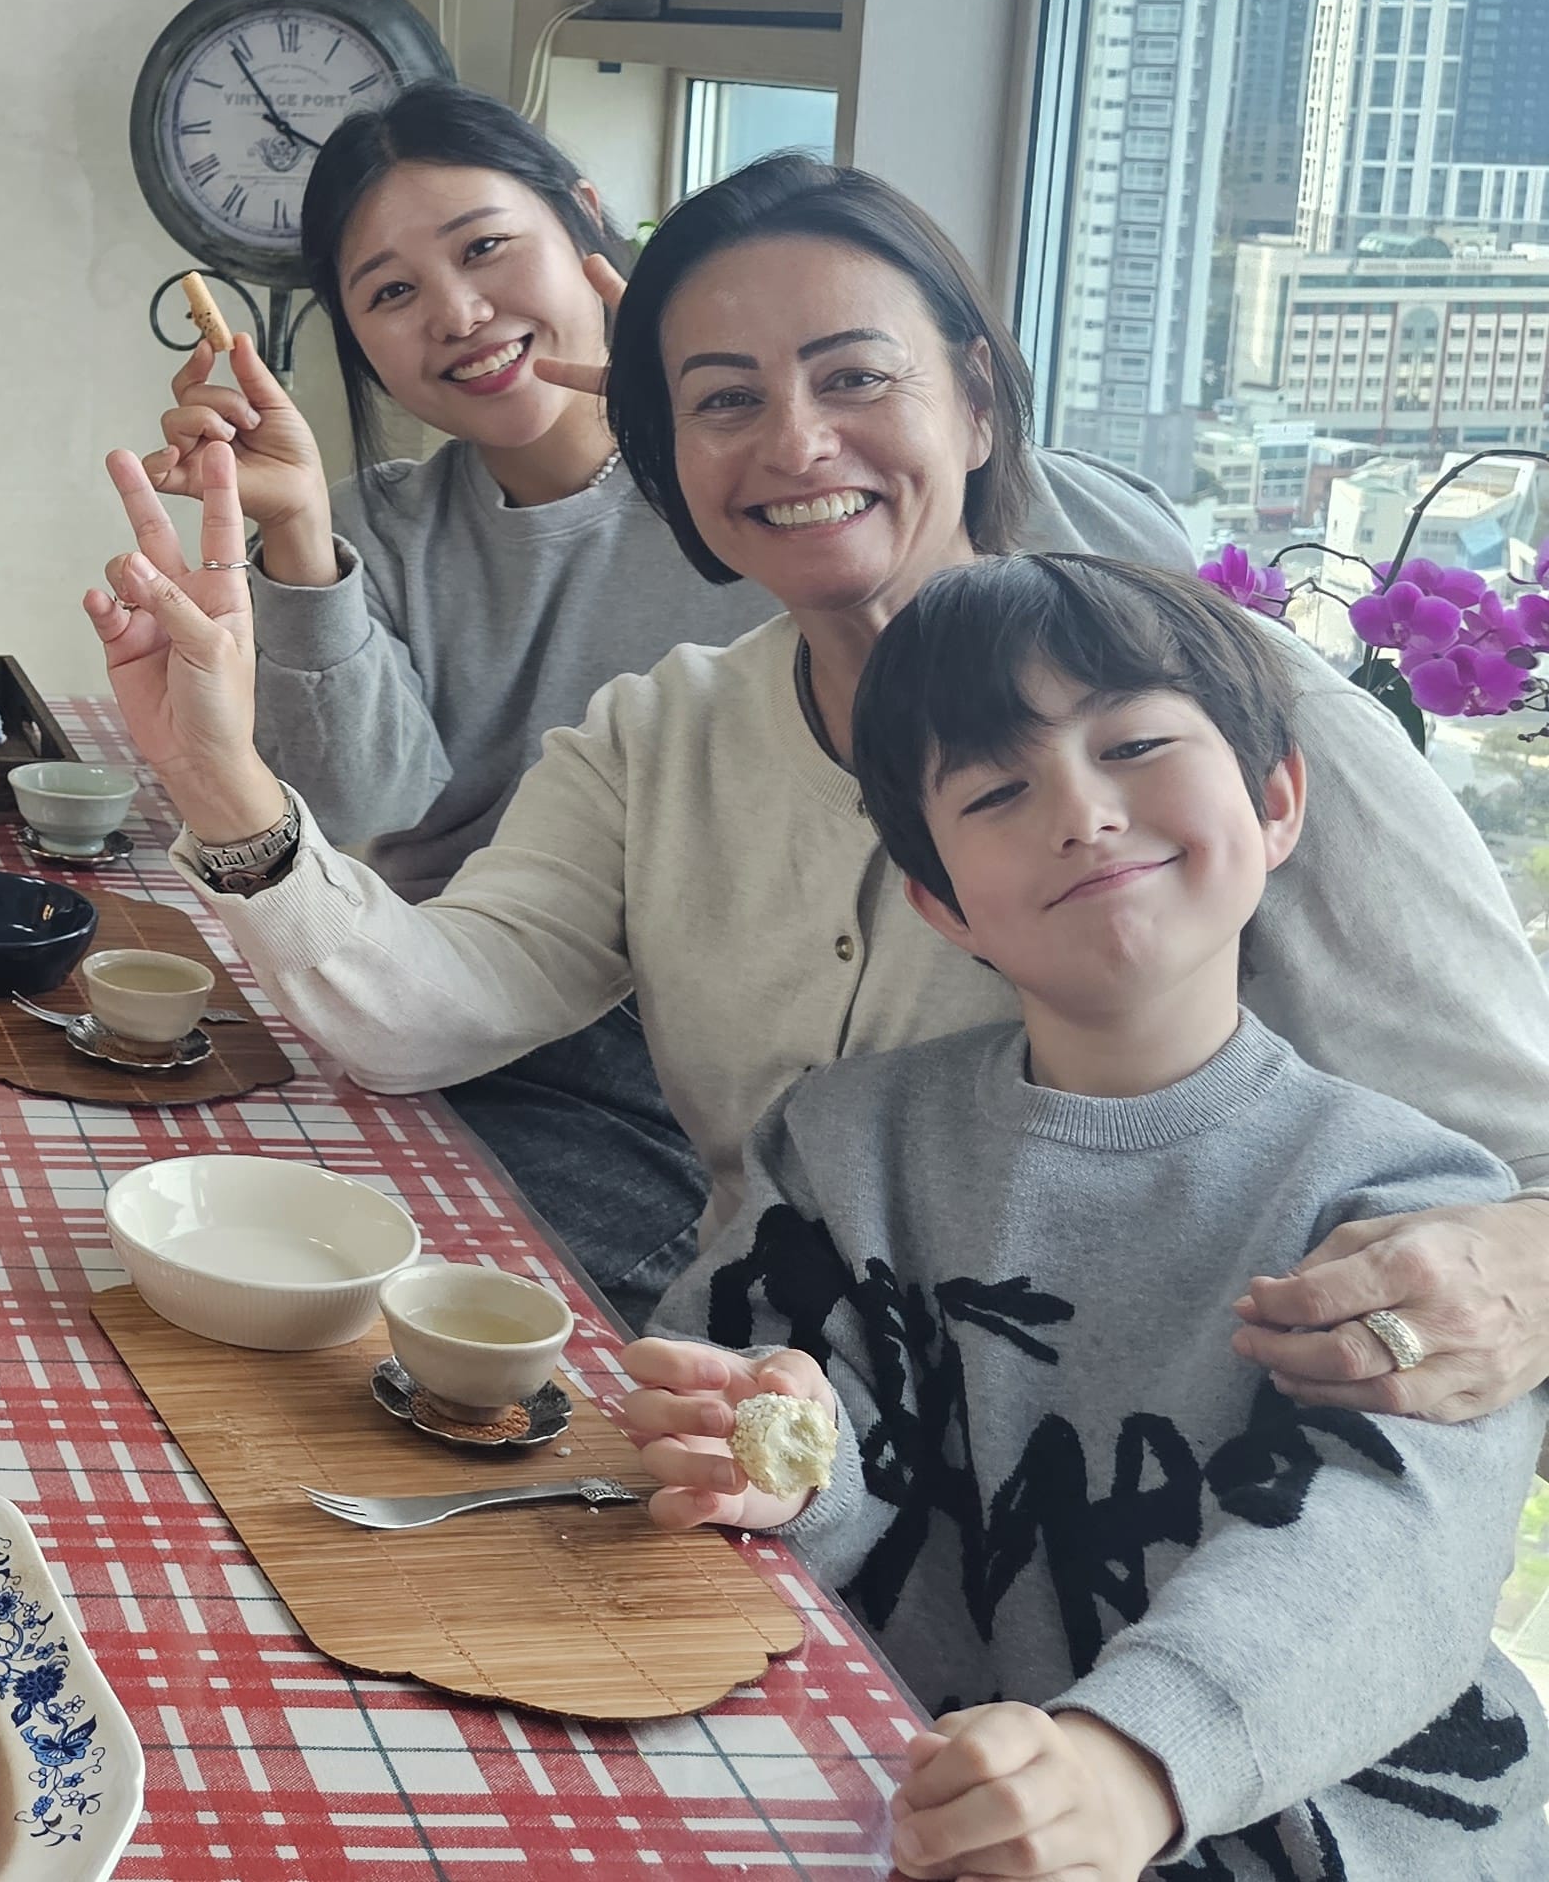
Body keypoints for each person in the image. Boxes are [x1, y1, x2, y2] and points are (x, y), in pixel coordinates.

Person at [92, 150, 1549, 1423]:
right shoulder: (660, 735)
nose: (795, 444)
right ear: (669, 469)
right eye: (725, 402)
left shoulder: (1217, 722)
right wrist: (222, 783)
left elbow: (1524, 1159)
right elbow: (425, 1014)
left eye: (855, 378)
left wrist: (1507, 1279)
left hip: (1131, 1512)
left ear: (977, 401)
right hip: (768, 1460)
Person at [145, 88, 1189, 1324]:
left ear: (584, 224)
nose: (461, 314)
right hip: (495, 994)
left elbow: (1078, 558)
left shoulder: (794, 506)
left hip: (660, 1063)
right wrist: (298, 562)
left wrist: (717, 379)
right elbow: (377, 827)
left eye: (485, 248)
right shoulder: (611, 688)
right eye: (390, 292)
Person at [618, 556, 1547, 1878]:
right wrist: (776, 1456)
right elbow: (787, 1414)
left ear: (1276, 798)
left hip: (1330, 1828)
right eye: (999, 789)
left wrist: (1137, 1761)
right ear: (941, 901)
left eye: (1137, 743)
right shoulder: (844, 1142)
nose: (1083, 810)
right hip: (957, 1799)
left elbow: (1383, 1550)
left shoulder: (1393, 1205)